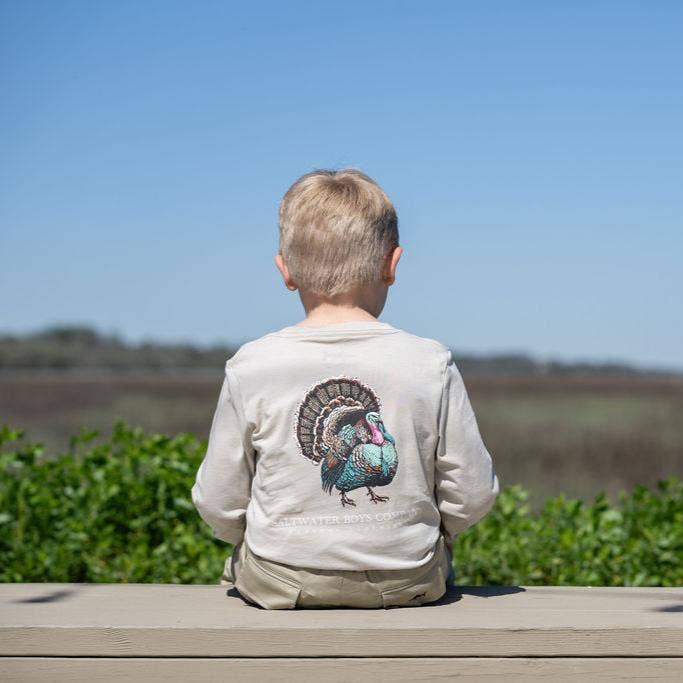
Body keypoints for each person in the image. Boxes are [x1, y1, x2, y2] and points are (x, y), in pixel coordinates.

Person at [191, 168, 500, 609]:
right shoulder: (430, 362)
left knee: (242, 565)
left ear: (285, 271)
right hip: (407, 577)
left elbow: (218, 499)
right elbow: (473, 491)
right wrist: (429, 534)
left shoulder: (252, 365)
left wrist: (263, 538)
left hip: (281, 578)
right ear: (392, 265)